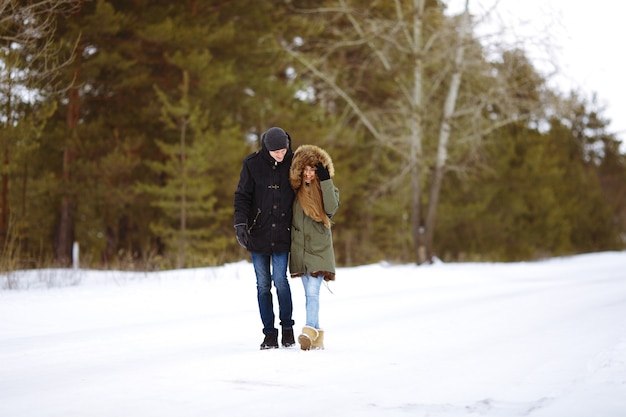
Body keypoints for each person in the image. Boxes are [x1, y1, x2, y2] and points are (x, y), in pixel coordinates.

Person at [234, 127, 296, 349]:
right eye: (276, 151)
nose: (281, 154)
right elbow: (242, 196)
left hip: (282, 233)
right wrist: (240, 223)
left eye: (283, 150)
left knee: (280, 281)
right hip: (257, 233)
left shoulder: (294, 162)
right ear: (266, 149)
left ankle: (287, 329)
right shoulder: (251, 164)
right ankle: (269, 333)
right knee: (262, 285)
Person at [288, 144, 339, 350]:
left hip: (319, 250)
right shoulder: (294, 192)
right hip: (300, 250)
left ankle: (309, 329)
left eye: (313, 170)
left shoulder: (327, 189)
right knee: (309, 293)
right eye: (305, 169)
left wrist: (326, 180)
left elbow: (332, 208)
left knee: (312, 293)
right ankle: (317, 339)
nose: (308, 174)